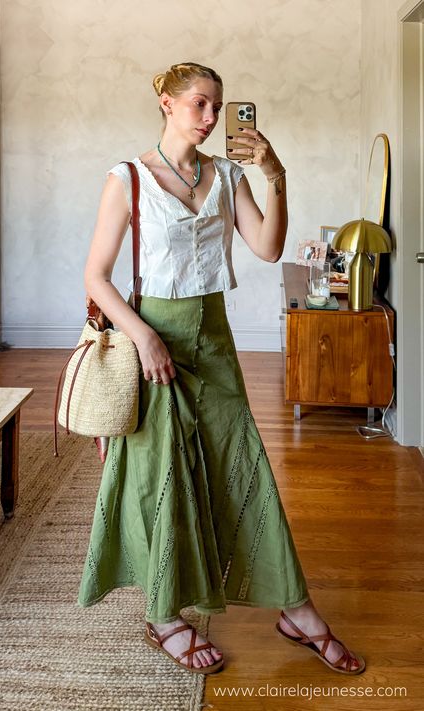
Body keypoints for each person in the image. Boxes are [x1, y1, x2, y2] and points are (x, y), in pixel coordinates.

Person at [78, 62, 365, 676]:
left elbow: (266, 248)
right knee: (161, 478)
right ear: (166, 102)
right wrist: (146, 338)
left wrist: (275, 174)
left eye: (218, 107)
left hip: (214, 341)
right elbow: (96, 278)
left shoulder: (228, 173)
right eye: (199, 105)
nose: (211, 119)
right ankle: (164, 615)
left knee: (244, 469)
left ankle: (296, 608)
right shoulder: (127, 179)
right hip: (153, 340)